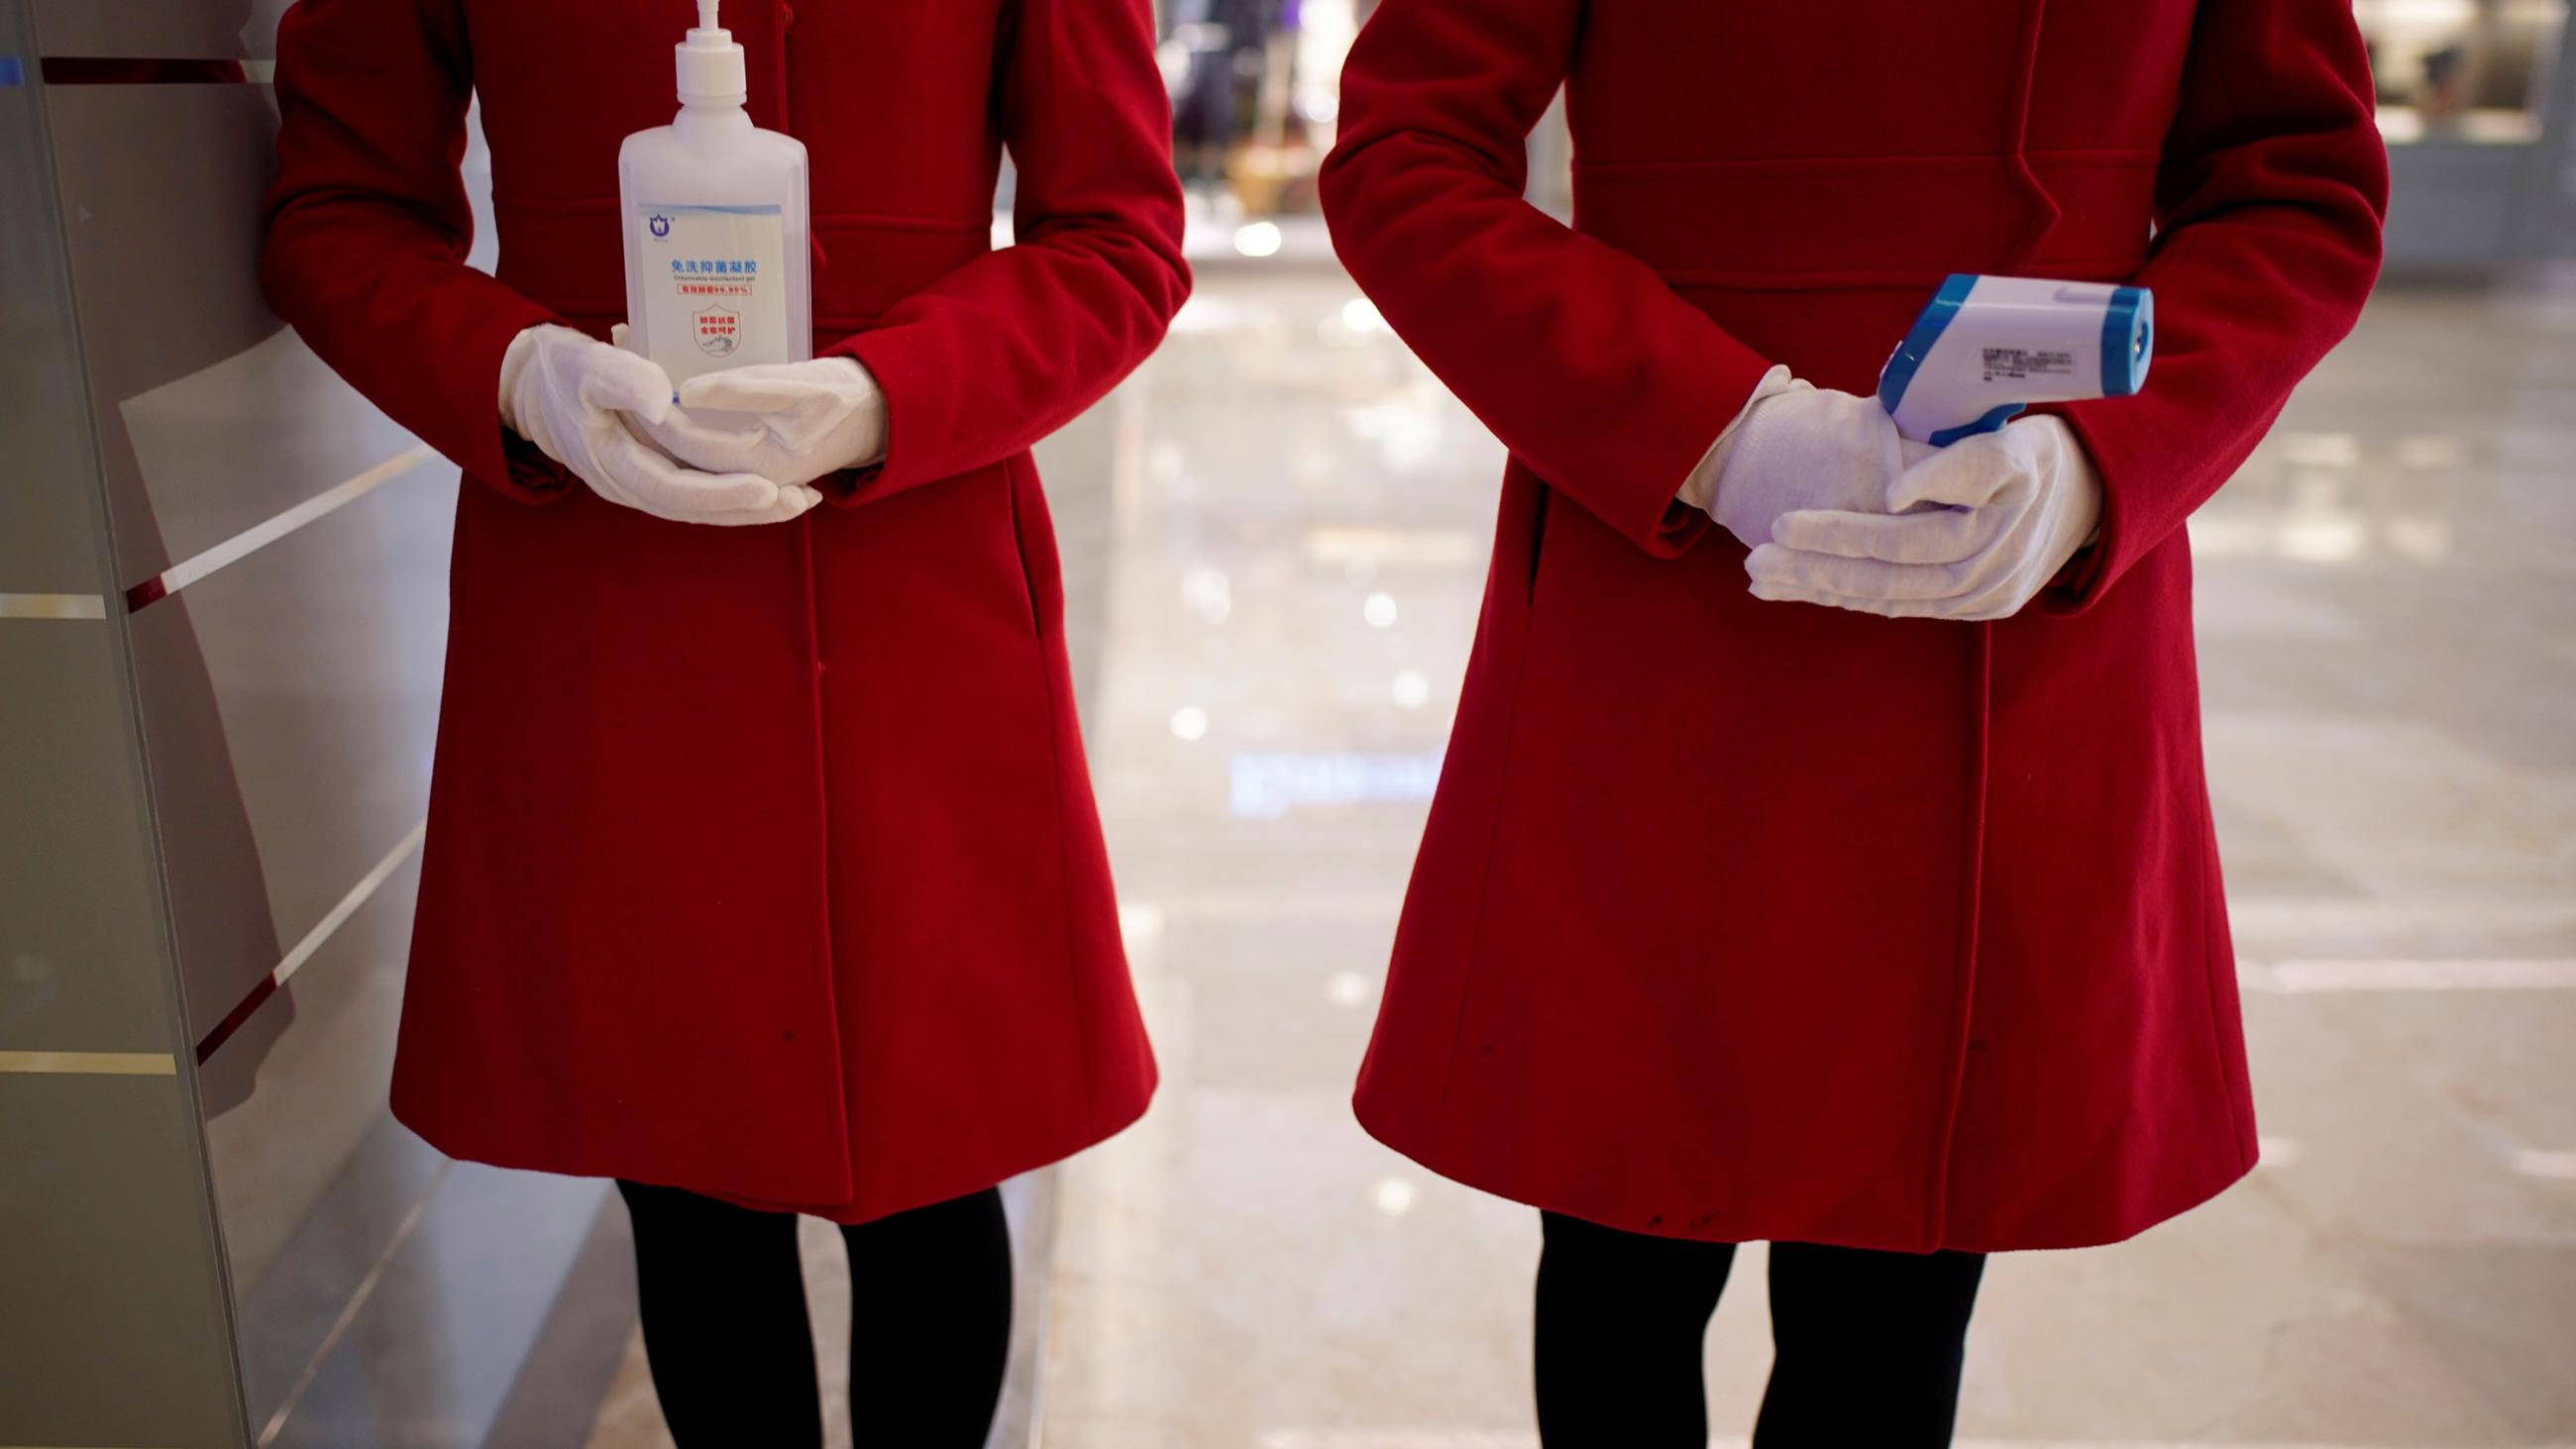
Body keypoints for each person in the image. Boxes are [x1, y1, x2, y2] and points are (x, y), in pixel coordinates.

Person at [1319, 0, 2386, 1443]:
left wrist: (2106, 460)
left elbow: (2296, 184)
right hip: (1676, 583)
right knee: (1622, 1247)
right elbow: (1408, 150)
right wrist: (1715, 425)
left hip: (2015, 595)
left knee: (1905, 1280)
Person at [260, 0, 1188, 1441]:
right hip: (609, 598)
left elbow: (1117, 239)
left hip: (917, 589)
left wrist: (894, 389)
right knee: (681, 1169)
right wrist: (518, 373)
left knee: (944, 1150)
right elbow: (335, 212)